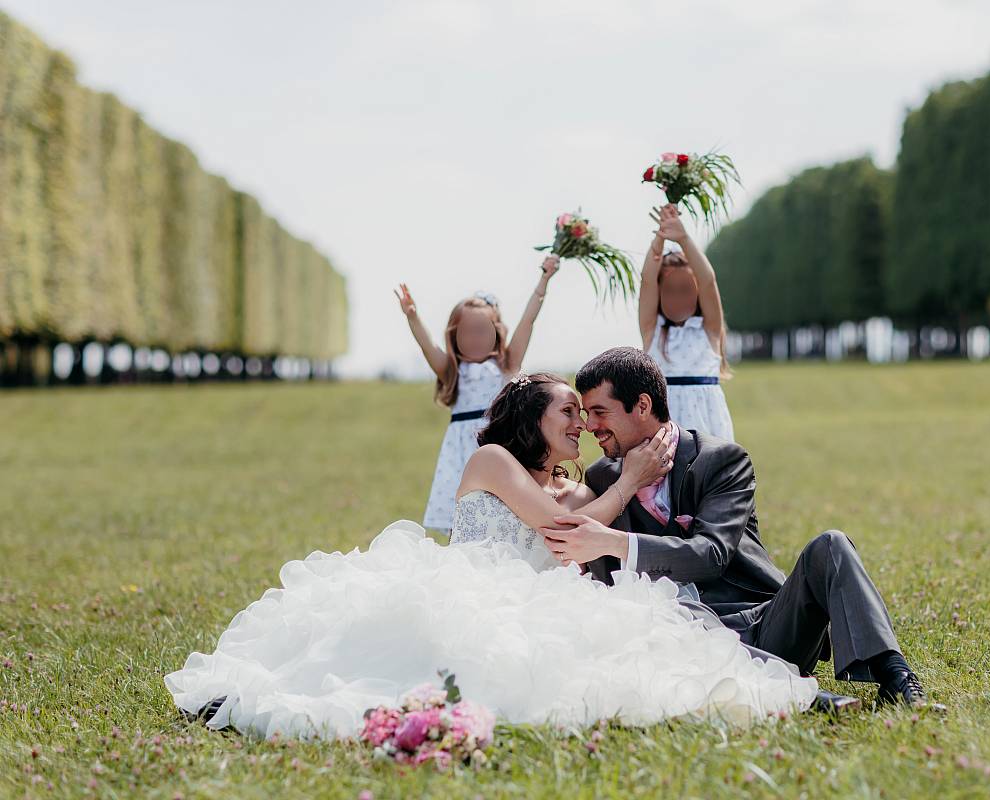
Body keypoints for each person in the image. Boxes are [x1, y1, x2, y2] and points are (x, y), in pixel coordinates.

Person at [165, 373, 818, 739]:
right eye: (569, 412)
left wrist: (620, 486)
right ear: (533, 418)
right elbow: (560, 529)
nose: (582, 426)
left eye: (586, 415)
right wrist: (625, 483)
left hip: (537, 601)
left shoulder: (576, 490)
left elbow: (582, 537)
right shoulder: (493, 461)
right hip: (470, 590)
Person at [541, 347, 938, 709]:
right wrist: (627, 486)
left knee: (832, 545)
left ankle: (896, 678)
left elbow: (711, 555)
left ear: (642, 405)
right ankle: (804, 695)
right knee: (667, 608)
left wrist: (616, 541)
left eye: (600, 412)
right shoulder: (604, 477)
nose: (590, 425)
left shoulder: (720, 460)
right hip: (682, 640)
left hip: (764, 624)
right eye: (587, 413)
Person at [394, 256, 558, 532]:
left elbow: (527, 321)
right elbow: (427, 346)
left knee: (506, 510)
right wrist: (413, 316)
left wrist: (543, 280)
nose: (474, 338)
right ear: (454, 335)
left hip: (500, 446)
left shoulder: (507, 364)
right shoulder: (452, 370)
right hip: (460, 456)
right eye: (467, 332)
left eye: (482, 331)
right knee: (462, 514)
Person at [639, 204, 735, 440]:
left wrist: (683, 238)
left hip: (709, 432)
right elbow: (647, 280)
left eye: (685, 290)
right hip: (663, 434)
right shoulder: (653, 330)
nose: (678, 298)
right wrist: (660, 239)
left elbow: (708, 280)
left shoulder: (709, 331)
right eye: (669, 291)